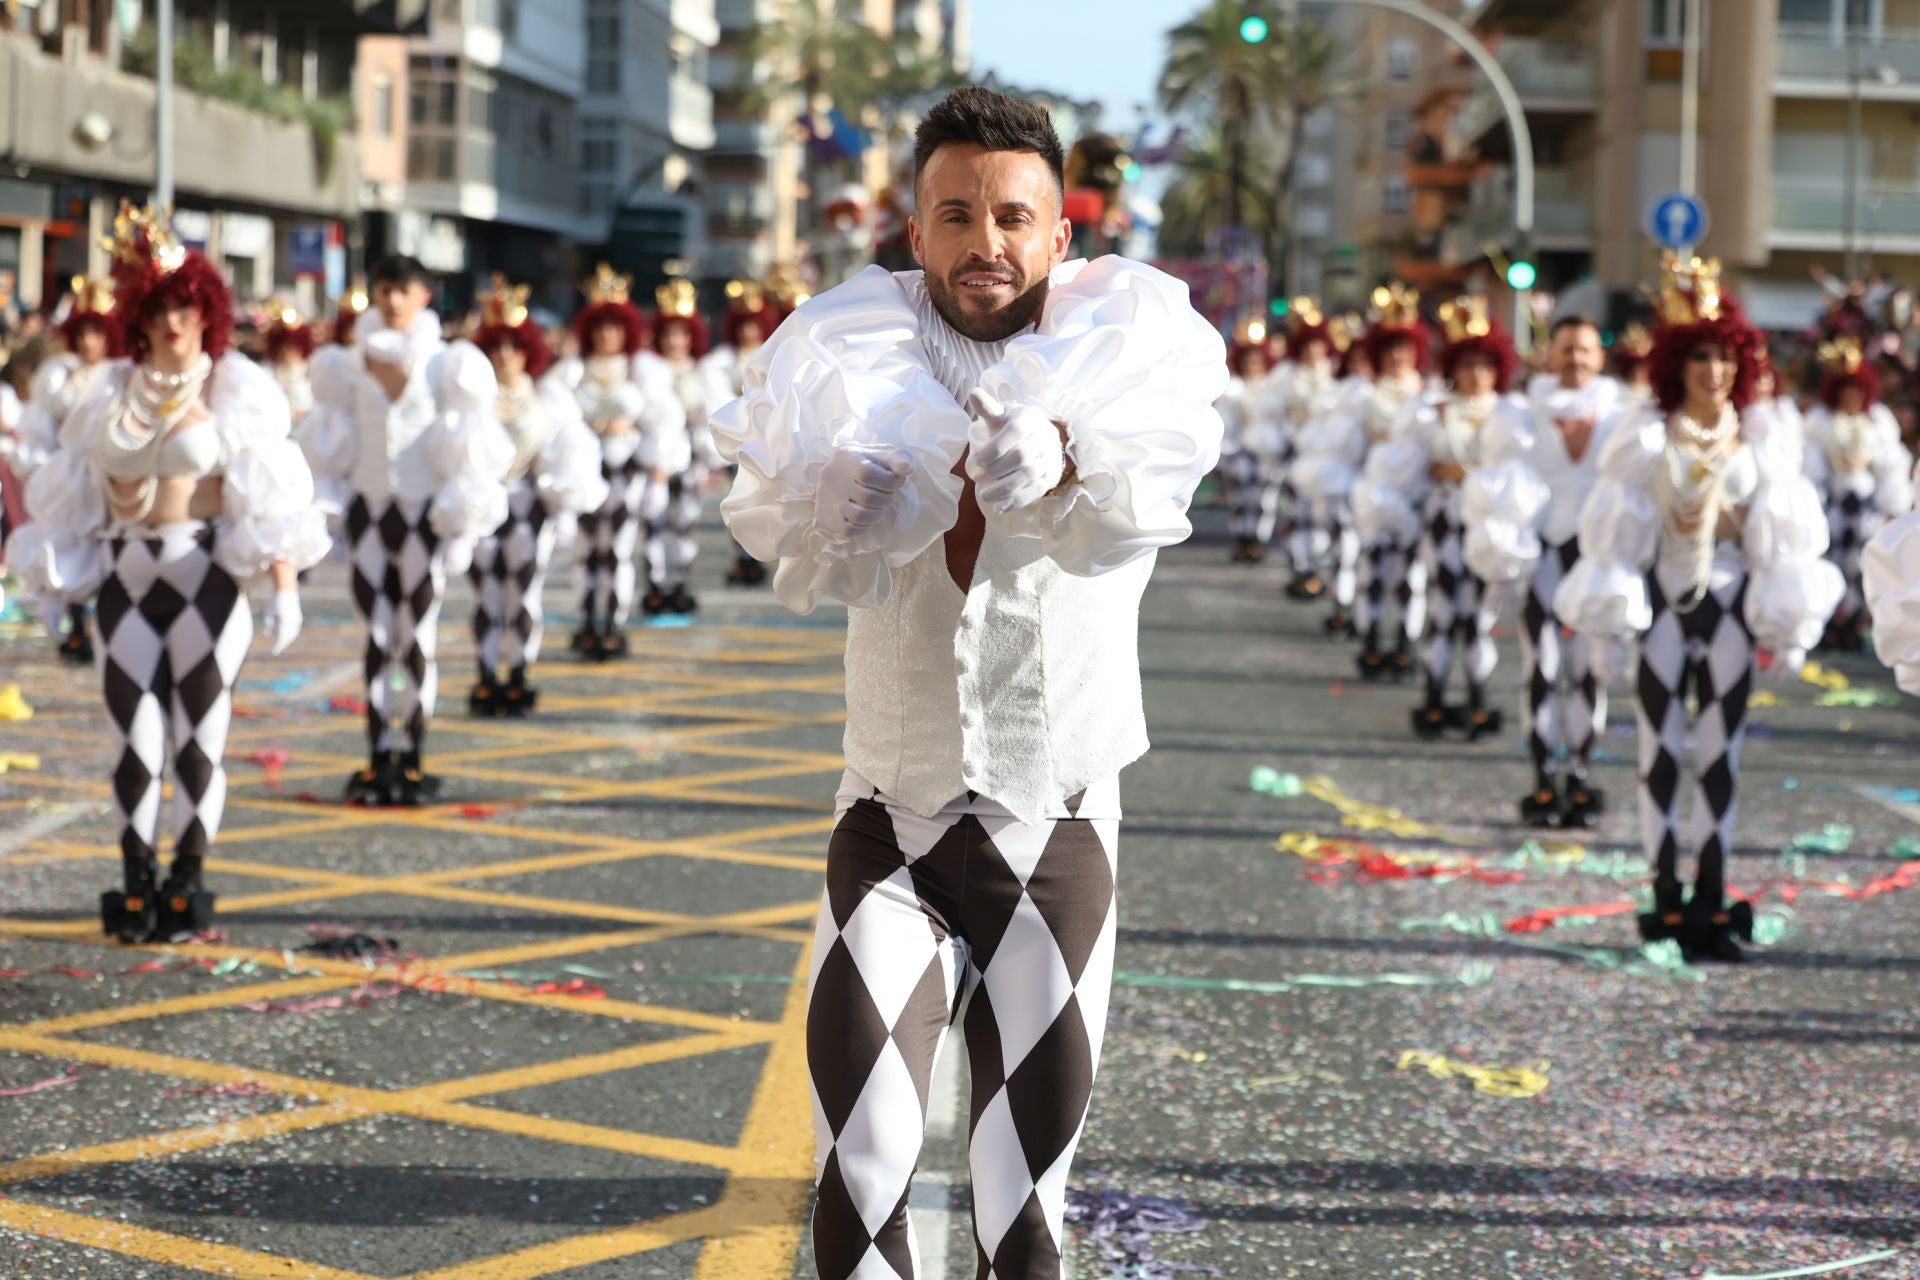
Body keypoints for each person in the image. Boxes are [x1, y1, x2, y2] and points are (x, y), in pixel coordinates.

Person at [711, 85, 1225, 1277]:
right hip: (891, 817)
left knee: (1022, 1215)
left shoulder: (1128, 349)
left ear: (1059, 234)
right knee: (862, 1168)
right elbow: (773, 520)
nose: (982, 243)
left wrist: (1070, 455)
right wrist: (825, 500)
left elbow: (1157, 491)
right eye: (954, 214)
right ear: (914, 227)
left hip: (1059, 825)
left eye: (1010, 217)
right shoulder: (841, 351)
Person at [5, 204, 328, 942]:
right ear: (139, 319)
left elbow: (271, 495)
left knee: (197, 743)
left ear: (207, 314)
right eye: (162, 309)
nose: (176, 323)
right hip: (127, 579)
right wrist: (50, 590)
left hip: (204, 581)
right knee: (136, 744)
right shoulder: (108, 391)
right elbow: (72, 494)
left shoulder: (234, 389)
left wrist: (282, 587)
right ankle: (133, 881)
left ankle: (187, 879)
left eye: (188, 307)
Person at [1555, 254, 1841, 962]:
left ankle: (1710, 898)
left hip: (1730, 614)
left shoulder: (1763, 439)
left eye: (1723, 358)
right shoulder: (1646, 437)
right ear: (1677, 365)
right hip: (1663, 610)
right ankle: (1664, 893)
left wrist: (1789, 624)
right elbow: (1618, 533)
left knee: (1719, 759)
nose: (1713, 372)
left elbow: (1783, 543)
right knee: (1659, 757)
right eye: (1700, 358)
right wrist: (1606, 629)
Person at [299, 254, 513, 805]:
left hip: (423, 516)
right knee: (375, 637)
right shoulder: (344, 365)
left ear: (424, 296)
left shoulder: (449, 366)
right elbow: (331, 446)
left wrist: (461, 521)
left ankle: (412, 756)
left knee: (415, 636)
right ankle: (377, 755)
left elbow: (467, 450)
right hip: (370, 512)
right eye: (385, 289)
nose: (393, 300)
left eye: (405, 290)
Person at [1466, 314, 1622, 826]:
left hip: (1595, 560)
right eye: (1566, 350)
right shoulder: (1524, 416)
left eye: (1585, 350)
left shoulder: (1622, 417)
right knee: (1543, 667)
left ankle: (1578, 775)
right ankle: (1540, 777)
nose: (1576, 360)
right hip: (1546, 556)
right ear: (1549, 357)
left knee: (1589, 671)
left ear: (1600, 358)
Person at [465, 277, 609, 715]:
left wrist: (563, 504)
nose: (505, 355)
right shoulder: (471, 397)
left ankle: (520, 673)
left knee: (524, 594)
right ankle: (488, 674)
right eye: (496, 347)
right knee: (487, 596)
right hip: (483, 502)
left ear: (529, 349)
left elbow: (567, 451)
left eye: (514, 346)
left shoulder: (548, 396)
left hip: (529, 505)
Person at [1398, 296, 1523, 740]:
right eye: (1468, 365)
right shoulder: (1434, 412)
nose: (1476, 375)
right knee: (1444, 608)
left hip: (1488, 524)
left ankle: (1477, 697)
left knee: (1479, 617)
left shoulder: (1512, 415)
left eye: (1485, 365)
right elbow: (1420, 468)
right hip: (1445, 516)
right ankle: (1433, 696)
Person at [552, 263, 688, 657]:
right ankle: (586, 621)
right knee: (586, 553)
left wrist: (659, 476)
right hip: (587, 473)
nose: (607, 334)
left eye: (615, 326)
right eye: (600, 326)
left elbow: (664, 424)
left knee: (619, 551)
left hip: (628, 471)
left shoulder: (643, 370)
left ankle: (614, 622)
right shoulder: (572, 372)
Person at [2, 277, 123, 665]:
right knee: (71, 550)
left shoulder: (124, 373)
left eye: (98, 333)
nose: (90, 342)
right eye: (84, 332)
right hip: (72, 479)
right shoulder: (58, 375)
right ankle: (75, 627)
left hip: (116, 476)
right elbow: (41, 428)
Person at [1800, 337, 1912, 651]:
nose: (1851, 397)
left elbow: (1891, 465)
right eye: (1845, 391)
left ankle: (1855, 624)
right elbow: (1810, 463)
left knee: (1863, 567)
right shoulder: (1821, 420)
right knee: (1831, 562)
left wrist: (1892, 503)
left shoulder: (1877, 421)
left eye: (1856, 392)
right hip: (1833, 507)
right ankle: (1830, 623)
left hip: (1866, 509)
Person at [1348, 285, 1432, 681]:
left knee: (1409, 574)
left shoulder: (1431, 396)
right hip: (1374, 494)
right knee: (1373, 571)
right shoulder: (1363, 396)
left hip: (1414, 495)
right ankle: (1370, 640)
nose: (1398, 357)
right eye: (1391, 349)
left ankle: (1403, 642)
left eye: (1405, 349)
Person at [702, 280, 786, 586]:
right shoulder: (721, 360)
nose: (748, 332)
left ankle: (760, 553)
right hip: (737, 438)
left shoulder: (774, 353)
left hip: (766, 439)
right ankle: (741, 557)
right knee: (738, 501)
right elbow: (716, 399)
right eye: (743, 326)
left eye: (754, 325)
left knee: (764, 500)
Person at [645, 280, 719, 615]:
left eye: (682, 334)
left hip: (689, 456)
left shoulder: (703, 371)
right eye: (669, 335)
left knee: (685, 521)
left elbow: (712, 414)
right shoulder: (648, 370)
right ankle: (655, 585)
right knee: (654, 522)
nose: (676, 341)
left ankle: (680, 583)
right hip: (656, 458)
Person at [1217, 317, 1287, 564]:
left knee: (1264, 497)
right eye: (1248, 361)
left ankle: (1258, 538)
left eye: (1256, 361)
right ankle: (1242, 537)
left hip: (1268, 450)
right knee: (1239, 497)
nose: (1252, 365)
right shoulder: (1234, 389)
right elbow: (1227, 420)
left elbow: (1280, 418)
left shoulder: (1274, 388)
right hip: (1241, 449)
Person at [262, 303, 317, 423]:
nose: (288, 352)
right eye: (284, 346)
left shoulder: (309, 372)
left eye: (293, 347)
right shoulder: (267, 371)